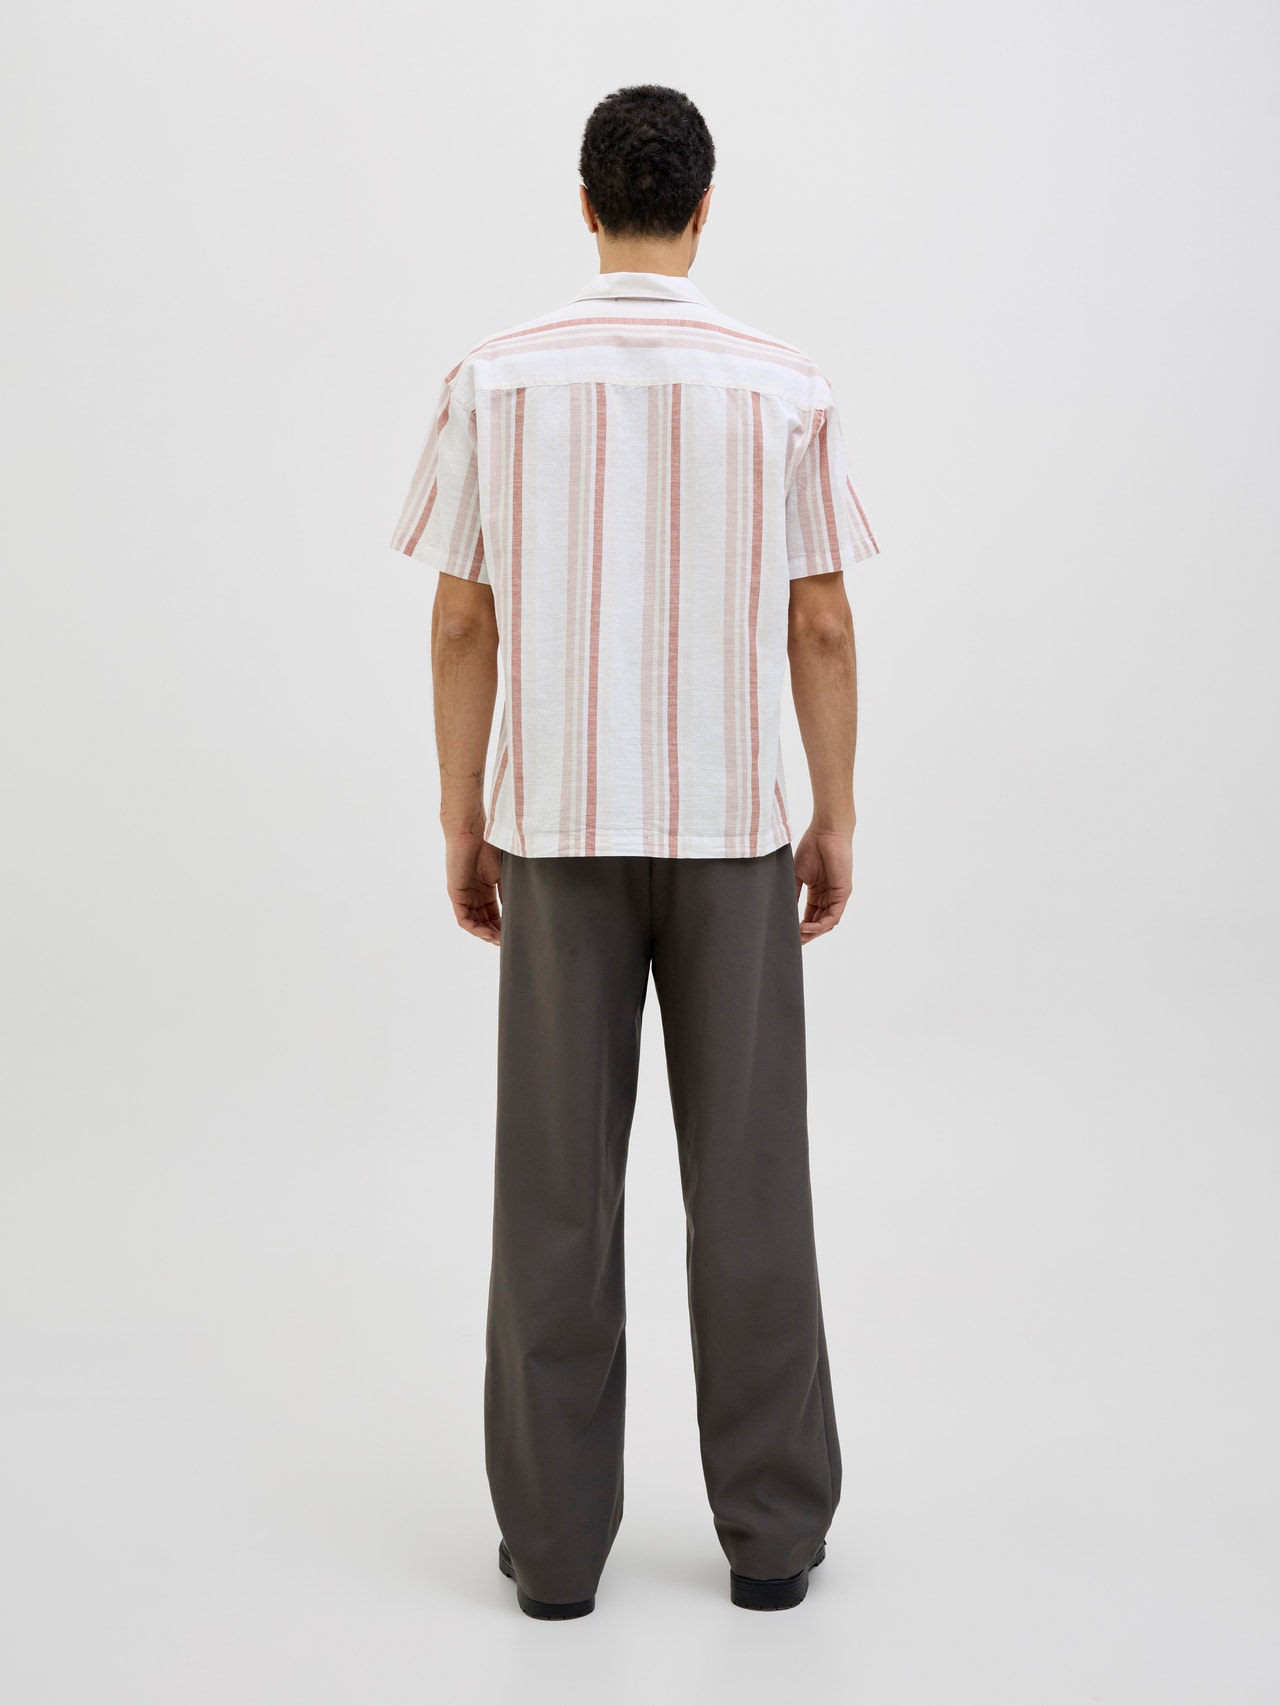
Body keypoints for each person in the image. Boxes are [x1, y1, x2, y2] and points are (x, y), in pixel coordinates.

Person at [389, 83, 881, 1619]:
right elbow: (820, 619)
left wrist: (462, 811)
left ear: (587, 204)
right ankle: (774, 1539)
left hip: (558, 832)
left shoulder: (496, 378)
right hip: (733, 832)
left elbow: (459, 617)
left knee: (554, 1198)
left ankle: (552, 1554)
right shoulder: (783, 384)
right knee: (752, 1188)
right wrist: (834, 810)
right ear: (705, 207)